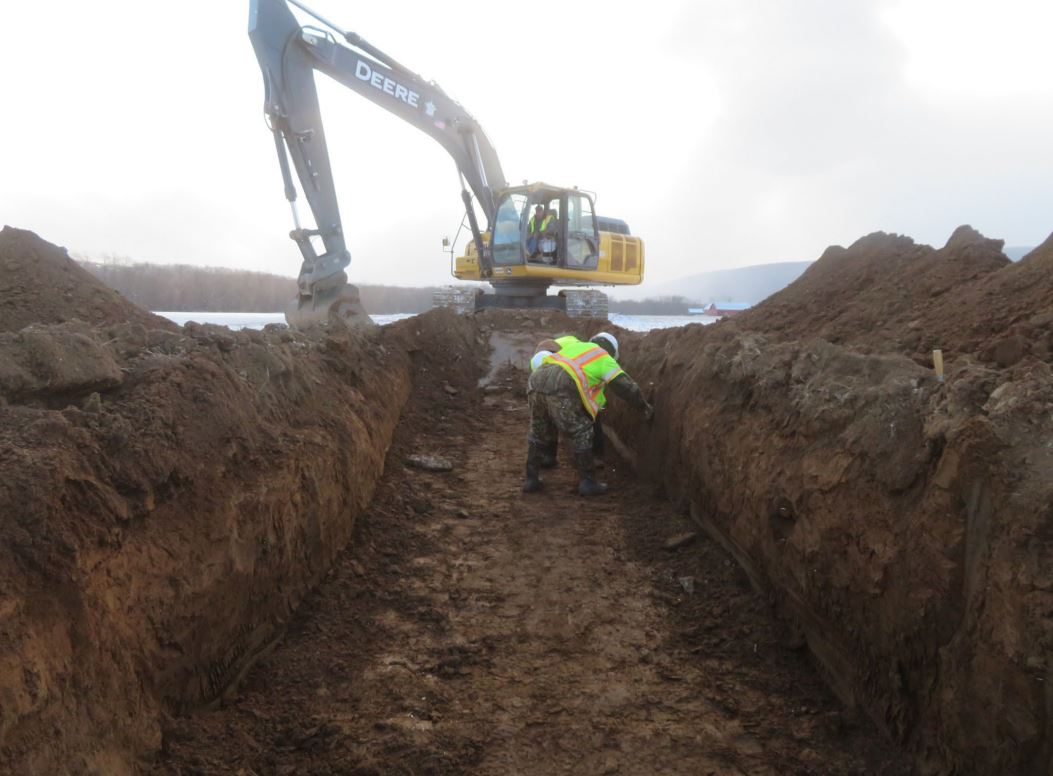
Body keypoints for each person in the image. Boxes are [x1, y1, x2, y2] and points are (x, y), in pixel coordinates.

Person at [524, 332, 654, 496]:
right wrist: (643, 406)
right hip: (562, 381)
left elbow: (547, 347)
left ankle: (531, 479)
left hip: (536, 378)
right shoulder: (603, 357)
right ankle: (588, 482)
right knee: (582, 431)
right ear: (613, 352)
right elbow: (624, 385)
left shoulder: (577, 346)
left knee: (538, 430)